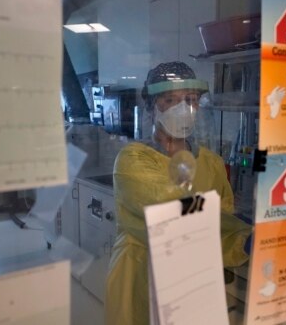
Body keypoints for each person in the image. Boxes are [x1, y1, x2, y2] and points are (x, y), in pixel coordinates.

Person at [105, 61, 252, 325]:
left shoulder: (211, 162)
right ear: (151, 106)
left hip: (194, 273)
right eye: (170, 100)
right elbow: (169, 210)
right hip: (141, 272)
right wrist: (240, 230)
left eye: (191, 100)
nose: (183, 109)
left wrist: (238, 235)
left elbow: (222, 215)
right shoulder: (132, 160)